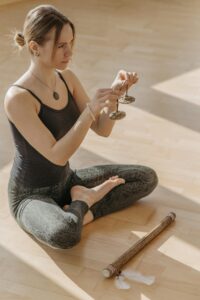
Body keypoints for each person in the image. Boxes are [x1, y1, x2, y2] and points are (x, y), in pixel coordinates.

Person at [4, 4, 158, 250]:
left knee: (145, 178)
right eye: (61, 45)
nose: (69, 52)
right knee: (64, 234)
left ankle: (78, 206)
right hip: (31, 195)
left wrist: (114, 95)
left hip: (67, 182)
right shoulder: (18, 98)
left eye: (71, 43)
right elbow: (57, 154)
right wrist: (89, 111)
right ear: (35, 47)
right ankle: (83, 204)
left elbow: (102, 129)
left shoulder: (68, 79)